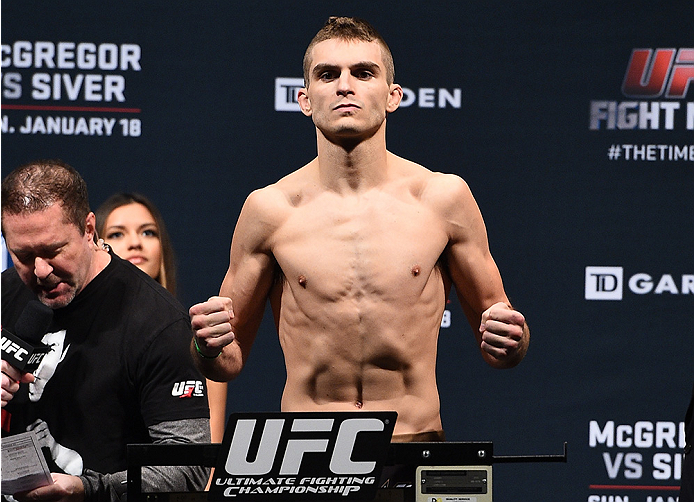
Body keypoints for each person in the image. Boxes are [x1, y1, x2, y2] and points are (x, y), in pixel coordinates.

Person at [190, 16, 530, 442]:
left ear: (393, 96)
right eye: (327, 75)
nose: (344, 86)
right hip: (307, 445)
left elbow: (501, 338)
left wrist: (512, 341)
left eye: (363, 73)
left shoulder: (442, 199)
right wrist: (206, 345)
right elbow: (227, 361)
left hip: (413, 440)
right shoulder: (270, 209)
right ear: (305, 99)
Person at [1, 160, 210, 502]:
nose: (40, 271)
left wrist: (91, 490)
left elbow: (189, 465)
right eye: (22, 255)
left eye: (53, 251)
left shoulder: (159, 323)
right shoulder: (6, 293)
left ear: (88, 230)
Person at [95, 193, 227, 445]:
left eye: (147, 233)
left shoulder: (199, 343)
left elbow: (206, 462)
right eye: (116, 234)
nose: (135, 243)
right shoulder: (78, 340)